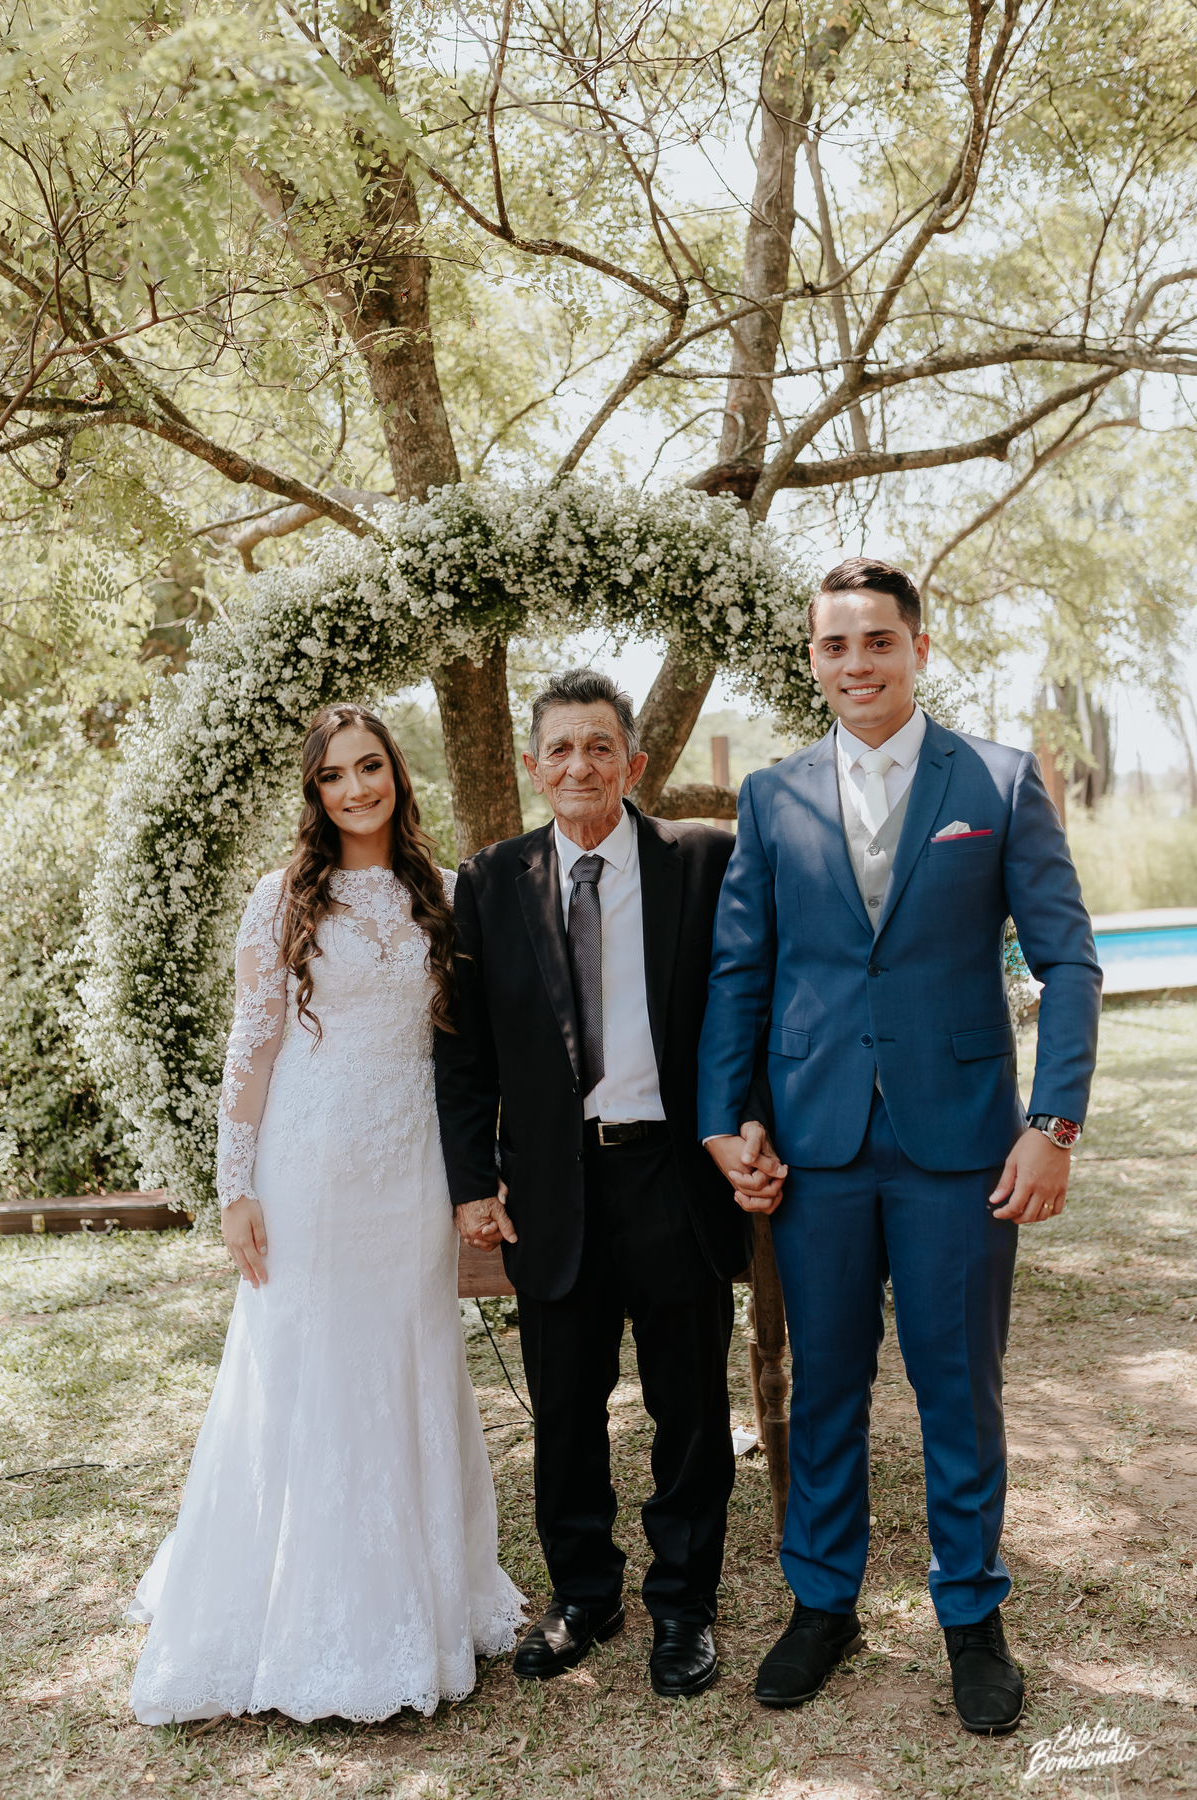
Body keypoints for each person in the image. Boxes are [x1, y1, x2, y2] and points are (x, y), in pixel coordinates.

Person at [698, 559, 1102, 1735]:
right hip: (814, 1145)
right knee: (824, 1384)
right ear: (813, 659)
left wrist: (1053, 1125)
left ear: (919, 649)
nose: (857, 662)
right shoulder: (772, 796)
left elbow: (1068, 961)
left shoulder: (998, 781)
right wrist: (725, 1118)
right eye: (836, 644)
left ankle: (972, 1617)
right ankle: (823, 1605)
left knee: (958, 1390)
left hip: (962, 1146)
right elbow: (741, 970)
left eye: (879, 640)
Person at [128, 704, 522, 1725]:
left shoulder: (443, 893)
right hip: (309, 1166)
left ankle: (426, 1596)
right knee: (304, 1362)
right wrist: (236, 1188)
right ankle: (288, 1609)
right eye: (333, 776)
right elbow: (251, 1048)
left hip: (411, 1170)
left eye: (370, 766)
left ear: (397, 773)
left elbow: (470, 1046)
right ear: (314, 794)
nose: (355, 789)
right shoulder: (282, 897)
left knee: (407, 1355)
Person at [433, 668, 780, 1699]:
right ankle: (584, 1595)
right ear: (533, 768)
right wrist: (473, 1182)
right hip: (552, 1187)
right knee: (565, 1412)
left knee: (689, 1408)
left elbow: (755, 1004)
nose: (579, 765)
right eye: (560, 749)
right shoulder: (489, 883)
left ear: (634, 763)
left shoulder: (703, 861)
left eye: (599, 746)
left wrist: (752, 1120)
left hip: (675, 1176)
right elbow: (463, 1055)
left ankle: (684, 1604)